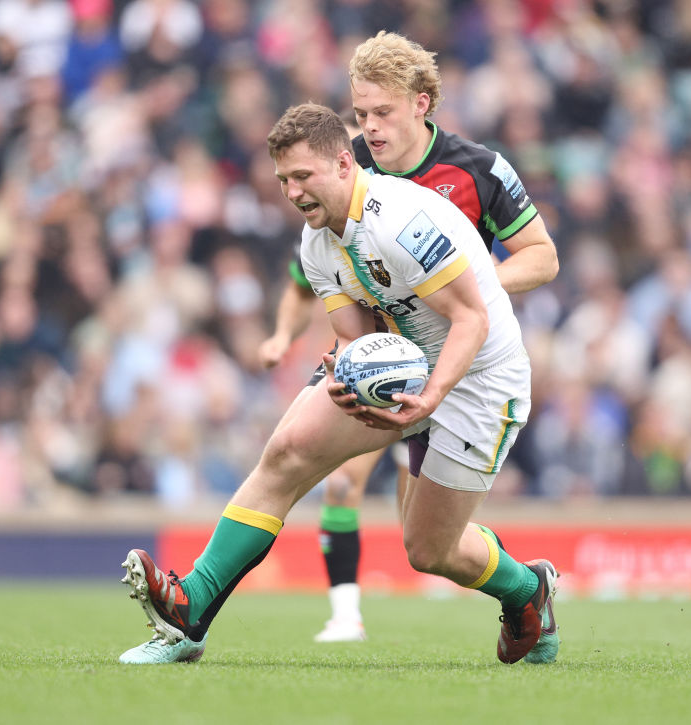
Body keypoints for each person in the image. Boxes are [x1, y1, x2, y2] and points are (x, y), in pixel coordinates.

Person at [117, 102, 559, 667]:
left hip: (479, 380)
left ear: (345, 165)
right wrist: (346, 376)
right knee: (286, 451)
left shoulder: (400, 223)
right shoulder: (316, 242)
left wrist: (429, 398)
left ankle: (528, 590)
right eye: (283, 180)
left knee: (429, 550)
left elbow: (473, 320)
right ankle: (189, 610)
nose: (293, 192)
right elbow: (353, 335)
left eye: (304, 176)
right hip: (407, 366)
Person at [258, 30, 559, 644]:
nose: (367, 128)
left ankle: (524, 586)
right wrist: (285, 334)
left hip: (461, 359)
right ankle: (344, 616)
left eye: (381, 113)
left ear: (421, 103)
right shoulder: (344, 168)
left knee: (423, 544)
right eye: (360, 113)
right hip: (377, 357)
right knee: (335, 478)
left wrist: (469, 285)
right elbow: (307, 271)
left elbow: (543, 257)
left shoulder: (478, 169)